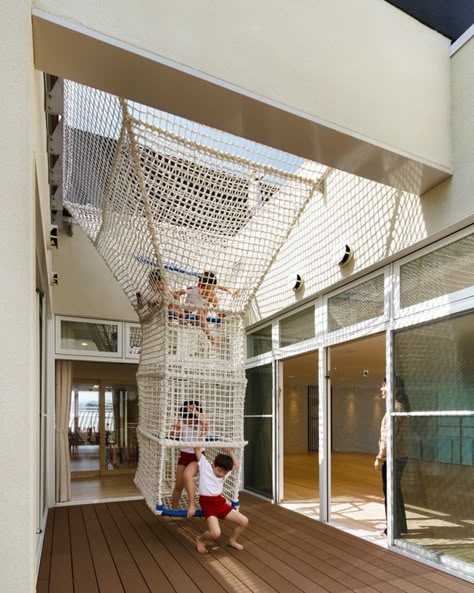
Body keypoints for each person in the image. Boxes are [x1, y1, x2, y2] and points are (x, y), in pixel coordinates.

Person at [194, 447, 249, 553]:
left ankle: (232, 541)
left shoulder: (224, 472)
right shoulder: (205, 466)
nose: (221, 474)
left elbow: (236, 465)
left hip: (220, 503)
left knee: (244, 521)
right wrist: (203, 433)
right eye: (219, 471)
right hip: (208, 504)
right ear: (214, 464)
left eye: (224, 473)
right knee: (215, 533)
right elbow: (197, 449)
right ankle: (200, 539)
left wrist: (230, 451)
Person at [374, 377, 409, 537]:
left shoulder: (394, 410)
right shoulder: (400, 407)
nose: (381, 389)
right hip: (401, 456)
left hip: (393, 458)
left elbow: (388, 439)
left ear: (393, 388)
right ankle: (400, 526)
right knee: (396, 491)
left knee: (390, 493)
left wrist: (380, 458)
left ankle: (393, 528)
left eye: (384, 386)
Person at [170, 271, 238, 345]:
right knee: (197, 310)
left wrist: (231, 290)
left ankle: (220, 313)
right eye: (208, 289)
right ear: (200, 285)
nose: (210, 291)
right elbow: (177, 293)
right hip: (187, 315)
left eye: (212, 289)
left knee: (211, 299)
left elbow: (220, 287)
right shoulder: (193, 289)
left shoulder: (211, 293)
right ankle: (210, 338)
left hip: (200, 317)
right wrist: (178, 307)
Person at [170, 401, 209, 518]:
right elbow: (173, 436)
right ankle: (174, 509)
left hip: (197, 457)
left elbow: (205, 422)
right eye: (185, 418)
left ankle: (192, 504)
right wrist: (176, 430)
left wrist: (195, 410)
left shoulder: (201, 426)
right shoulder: (183, 425)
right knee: (178, 485)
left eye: (191, 418)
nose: (188, 421)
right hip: (184, 456)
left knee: (187, 475)